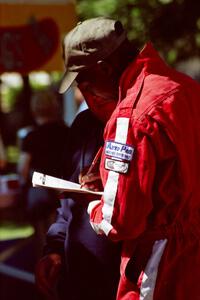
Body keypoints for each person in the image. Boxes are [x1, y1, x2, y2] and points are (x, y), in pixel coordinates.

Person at [56, 16, 200, 300]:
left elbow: (119, 220)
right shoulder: (185, 89)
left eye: (84, 81)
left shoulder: (130, 115)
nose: (84, 92)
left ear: (105, 68)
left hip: (163, 265)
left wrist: (97, 206)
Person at [35, 103, 121, 300]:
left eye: (88, 78)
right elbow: (67, 202)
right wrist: (55, 249)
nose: (83, 86)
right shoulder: (83, 124)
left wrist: (106, 192)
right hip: (78, 276)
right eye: (79, 81)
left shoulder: (139, 122)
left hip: (122, 277)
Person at [17, 89, 69, 224]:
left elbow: (23, 168)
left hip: (40, 191)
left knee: (42, 234)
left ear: (34, 109)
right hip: (65, 189)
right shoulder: (67, 132)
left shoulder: (31, 137)